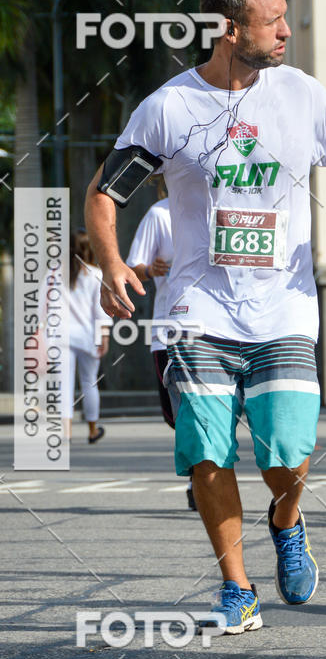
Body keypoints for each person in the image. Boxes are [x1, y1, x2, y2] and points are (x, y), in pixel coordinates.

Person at [85, 0, 326, 634]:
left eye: (285, 16)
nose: (285, 30)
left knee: (285, 458)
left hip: (286, 306)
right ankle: (237, 587)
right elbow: (107, 193)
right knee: (208, 451)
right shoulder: (169, 108)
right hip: (197, 311)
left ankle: (287, 517)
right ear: (227, 29)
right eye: (272, 20)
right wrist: (108, 264)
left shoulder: (300, 93)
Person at [125, 182, 196, 508]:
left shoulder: (213, 208)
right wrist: (149, 269)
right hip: (170, 329)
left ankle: (205, 476)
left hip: (215, 328)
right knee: (179, 414)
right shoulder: (159, 214)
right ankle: (199, 475)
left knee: (210, 408)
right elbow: (133, 265)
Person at [64, 230, 111, 442]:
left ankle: (66, 431)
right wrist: (105, 336)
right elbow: (100, 309)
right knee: (90, 383)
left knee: (63, 385)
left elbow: (43, 307)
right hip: (88, 336)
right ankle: (92, 429)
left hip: (60, 337)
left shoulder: (55, 273)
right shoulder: (96, 274)